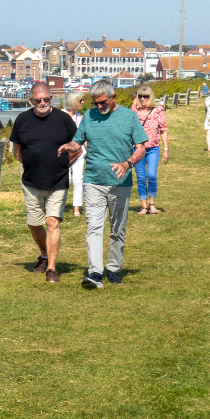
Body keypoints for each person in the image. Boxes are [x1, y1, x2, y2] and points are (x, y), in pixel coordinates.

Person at [59, 80, 147, 289]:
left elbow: (141, 148)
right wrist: (68, 146)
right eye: (95, 103)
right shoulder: (89, 116)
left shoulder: (129, 116)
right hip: (94, 181)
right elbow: (77, 142)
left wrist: (127, 163)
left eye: (103, 102)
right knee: (94, 228)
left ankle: (114, 269)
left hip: (121, 182)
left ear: (114, 97)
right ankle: (95, 272)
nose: (99, 106)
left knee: (118, 229)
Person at [9, 83, 79, 283]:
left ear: (51, 98)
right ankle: (44, 254)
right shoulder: (22, 120)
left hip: (58, 181)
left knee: (52, 222)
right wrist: (32, 165)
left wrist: (64, 166)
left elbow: (78, 148)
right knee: (34, 223)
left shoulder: (63, 119)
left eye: (46, 99)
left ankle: (51, 268)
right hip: (31, 182)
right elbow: (17, 152)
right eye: (38, 100)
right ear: (31, 100)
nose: (42, 103)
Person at [130, 85, 168, 215]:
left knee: (151, 175)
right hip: (137, 149)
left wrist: (166, 149)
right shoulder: (134, 111)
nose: (143, 99)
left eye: (146, 96)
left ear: (150, 97)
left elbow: (163, 131)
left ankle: (152, 203)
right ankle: (144, 206)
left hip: (153, 149)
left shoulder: (157, 111)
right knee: (140, 177)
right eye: (140, 96)